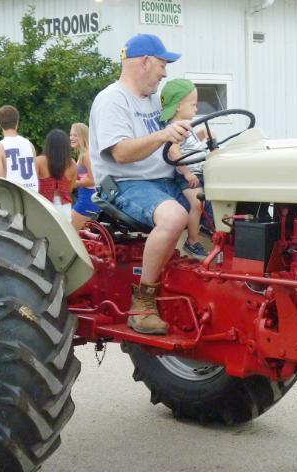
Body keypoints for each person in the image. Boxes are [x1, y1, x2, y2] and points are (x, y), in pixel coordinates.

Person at [89, 33, 191, 335]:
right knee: (174, 217)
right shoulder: (113, 100)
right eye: (162, 64)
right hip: (126, 183)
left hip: (164, 179)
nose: (165, 72)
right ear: (145, 62)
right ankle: (143, 302)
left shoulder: (150, 102)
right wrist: (164, 134)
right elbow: (120, 153)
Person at [160, 78, 212, 259]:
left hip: (201, 171)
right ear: (179, 106)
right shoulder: (174, 128)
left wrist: (204, 134)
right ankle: (192, 242)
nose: (196, 109)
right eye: (193, 105)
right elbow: (174, 151)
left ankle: (209, 227)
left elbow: (191, 144)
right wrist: (188, 172)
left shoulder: (187, 127)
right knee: (197, 203)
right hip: (186, 175)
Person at [0, 105, 38, 191]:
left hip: (14, 197)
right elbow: (36, 172)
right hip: (32, 195)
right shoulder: (29, 145)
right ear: (17, 122)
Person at [35, 129, 77, 220]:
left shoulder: (39, 161)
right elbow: (70, 189)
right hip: (65, 207)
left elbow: (34, 185)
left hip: (44, 205)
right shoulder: (72, 163)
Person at [70, 122, 101, 229]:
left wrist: (74, 184)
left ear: (82, 136)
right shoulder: (83, 154)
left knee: (69, 231)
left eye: (75, 135)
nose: (71, 138)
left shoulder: (87, 155)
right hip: (85, 198)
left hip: (88, 200)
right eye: (70, 135)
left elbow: (94, 181)